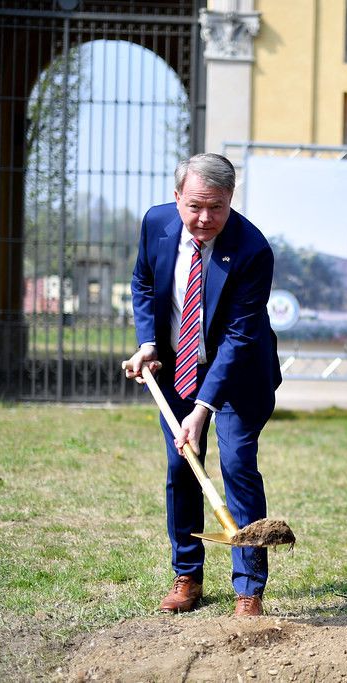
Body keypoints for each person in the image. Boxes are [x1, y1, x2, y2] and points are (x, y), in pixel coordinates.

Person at [123, 153, 282, 617]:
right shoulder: (156, 224)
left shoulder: (253, 250)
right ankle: (188, 575)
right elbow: (142, 282)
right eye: (194, 206)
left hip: (238, 375)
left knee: (236, 466)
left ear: (231, 199)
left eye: (216, 206)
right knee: (181, 468)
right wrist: (149, 343)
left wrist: (203, 407)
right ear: (177, 198)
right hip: (174, 371)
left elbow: (239, 336)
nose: (204, 218)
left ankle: (249, 586)